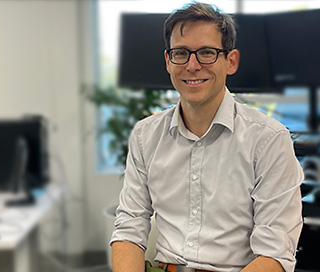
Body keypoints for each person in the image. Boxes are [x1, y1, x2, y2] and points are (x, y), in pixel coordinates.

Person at [111, 3, 303, 272]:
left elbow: (275, 254)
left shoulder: (269, 140)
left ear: (231, 61)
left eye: (206, 53)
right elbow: (129, 229)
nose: (192, 65)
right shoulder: (145, 136)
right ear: (168, 61)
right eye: (180, 53)